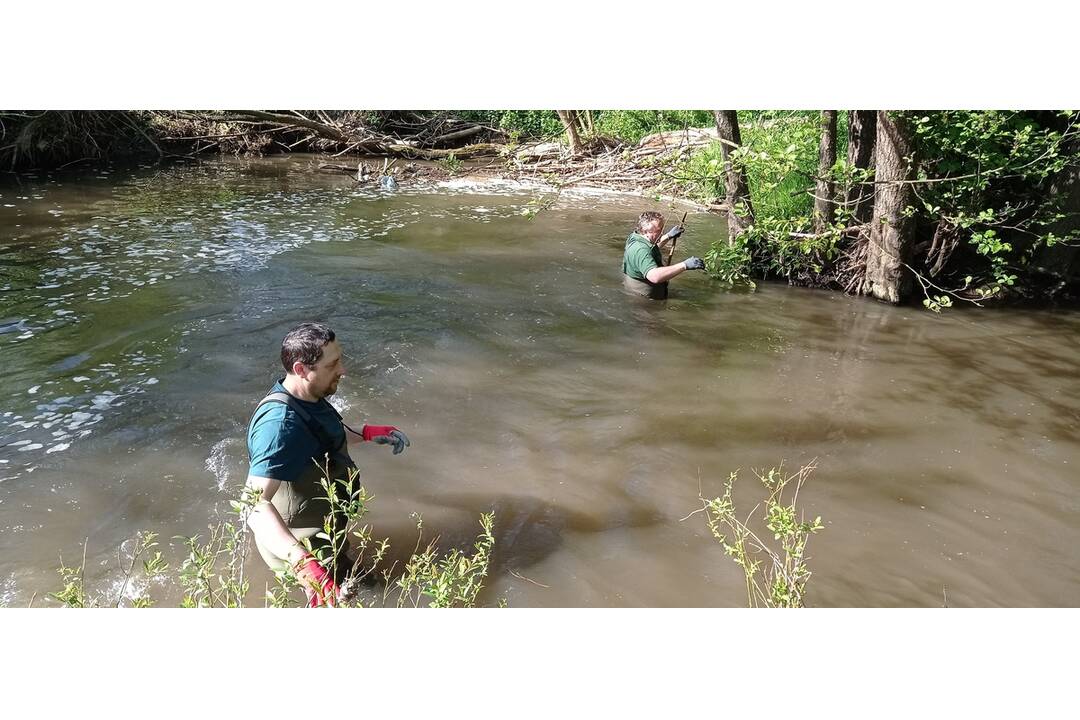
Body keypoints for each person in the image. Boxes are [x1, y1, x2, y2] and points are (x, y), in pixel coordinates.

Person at [244, 322, 410, 607]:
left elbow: (320, 436)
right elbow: (253, 504)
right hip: (305, 547)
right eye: (332, 364)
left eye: (339, 359)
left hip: (324, 532)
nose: (342, 370)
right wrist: (304, 565)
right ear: (301, 369)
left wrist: (369, 433)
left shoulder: (307, 396)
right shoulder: (279, 426)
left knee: (365, 583)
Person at [622, 211, 706, 299]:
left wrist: (668, 236)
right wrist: (684, 265)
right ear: (646, 231)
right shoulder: (641, 250)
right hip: (644, 300)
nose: (661, 233)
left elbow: (652, 249)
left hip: (634, 290)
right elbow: (654, 276)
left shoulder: (635, 237)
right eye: (658, 231)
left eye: (662, 229)